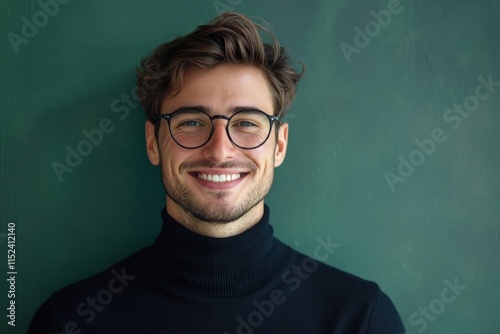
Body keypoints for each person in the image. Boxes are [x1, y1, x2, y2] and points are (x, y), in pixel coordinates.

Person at [29, 12, 405, 333]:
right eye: (191, 121)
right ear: (152, 142)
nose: (220, 150)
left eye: (246, 122)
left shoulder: (358, 319)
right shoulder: (69, 321)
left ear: (279, 145)